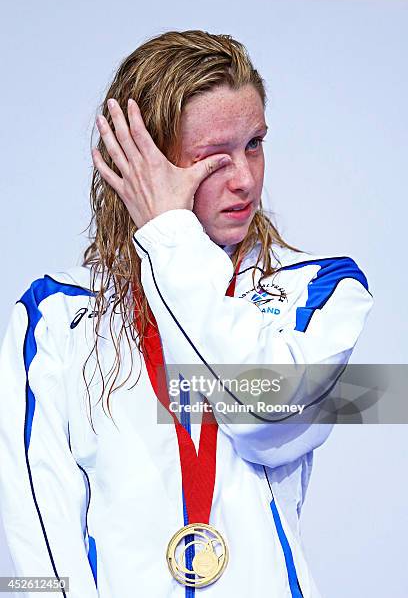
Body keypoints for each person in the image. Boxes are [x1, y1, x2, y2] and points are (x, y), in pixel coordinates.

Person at [0, 30, 373, 597]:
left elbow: (265, 416)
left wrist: (167, 233)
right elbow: (36, 541)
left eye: (254, 144)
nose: (245, 179)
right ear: (139, 163)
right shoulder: (54, 318)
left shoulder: (318, 290)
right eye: (212, 158)